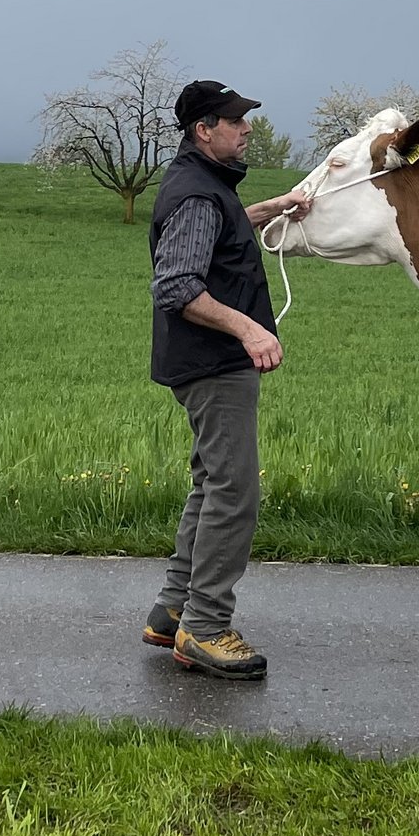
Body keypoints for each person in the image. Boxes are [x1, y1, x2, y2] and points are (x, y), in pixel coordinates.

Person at [143, 79, 312, 678]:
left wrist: (273, 208)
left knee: (211, 483)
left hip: (204, 362)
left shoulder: (205, 185)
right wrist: (250, 330)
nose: (247, 129)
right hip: (215, 365)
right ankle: (206, 627)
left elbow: (221, 225)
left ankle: (172, 610)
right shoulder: (197, 193)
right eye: (235, 121)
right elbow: (177, 286)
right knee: (234, 492)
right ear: (203, 130)